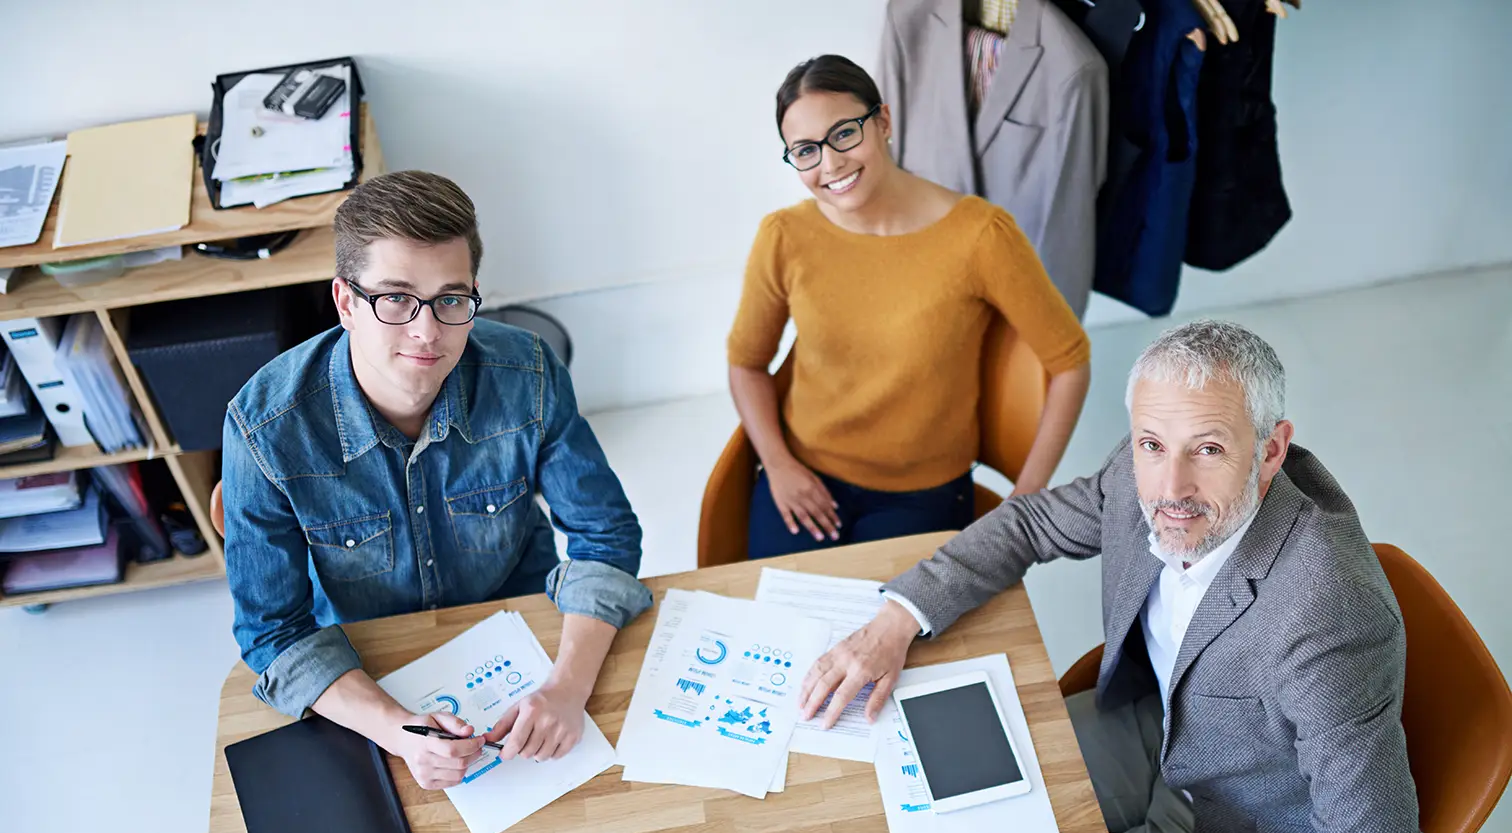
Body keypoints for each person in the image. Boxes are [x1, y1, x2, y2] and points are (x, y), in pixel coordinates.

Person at [799, 320, 1425, 833]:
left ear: (1271, 451)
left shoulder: (1327, 614)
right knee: (959, 813)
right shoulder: (1145, 468)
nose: (1170, 488)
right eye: (1153, 444)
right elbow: (1033, 522)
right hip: (1151, 726)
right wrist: (898, 618)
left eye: (1208, 449)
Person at [222, 170, 651, 790]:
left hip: (528, 641)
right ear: (345, 301)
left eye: (451, 299)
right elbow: (272, 632)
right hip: (366, 666)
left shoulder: (528, 373)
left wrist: (565, 689)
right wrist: (398, 732)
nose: (428, 332)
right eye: (395, 298)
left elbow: (605, 536)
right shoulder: (264, 426)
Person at [727, 55, 1092, 560]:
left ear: (883, 122)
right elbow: (746, 363)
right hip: (801, 479)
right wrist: (779, 464)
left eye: (844, 134)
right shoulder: (783, 236)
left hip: (923, 494)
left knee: (893, 635)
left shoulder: (980, 235)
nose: (830, 164)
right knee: (778, 634)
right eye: (806, 150)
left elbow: (1069, 362)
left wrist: (1025, 502)